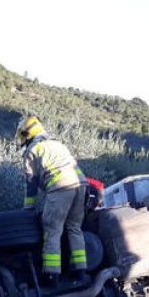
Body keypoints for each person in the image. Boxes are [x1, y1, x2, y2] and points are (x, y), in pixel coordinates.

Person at [17, 115, 87, 278]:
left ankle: (52, 274)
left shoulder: (31, 151)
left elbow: (31, 182)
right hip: (80, 185)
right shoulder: (58, 144)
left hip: (60, 188)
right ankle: (81, 272)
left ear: (26, 135)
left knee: (52, 231)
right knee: (74, 228)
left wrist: (28, 207)